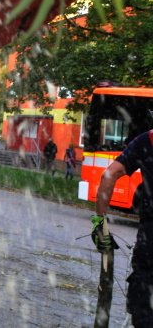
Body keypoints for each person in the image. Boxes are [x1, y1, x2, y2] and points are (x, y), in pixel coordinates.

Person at [91, 131, 153, 328]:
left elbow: (109, 175)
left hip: (150, 243)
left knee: (144, 312)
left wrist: (100, 225)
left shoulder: (147, 141)